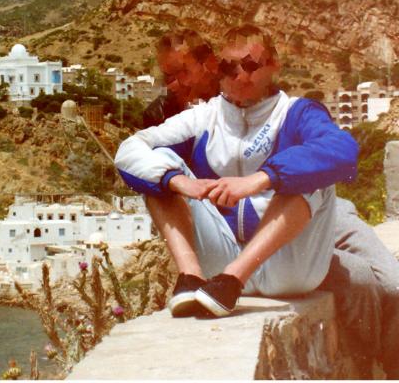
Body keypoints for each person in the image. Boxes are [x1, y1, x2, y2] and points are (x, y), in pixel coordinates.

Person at [117, 25, 399, 376]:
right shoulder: (192, 116)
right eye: (229, 68)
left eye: (250, 66)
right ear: (218, 68)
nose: (239, 76)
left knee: (384, 282)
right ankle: (195, 280)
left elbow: (338, 151)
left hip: (306, 221)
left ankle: (384, 367)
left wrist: (261, 179)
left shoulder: (294, 113)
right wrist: (176, 181)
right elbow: (133, 151)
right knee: (157, 169)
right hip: (234, 243)